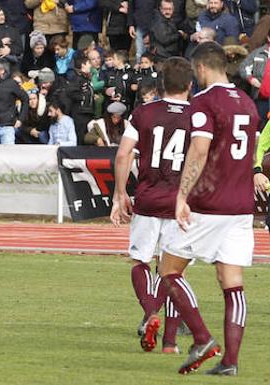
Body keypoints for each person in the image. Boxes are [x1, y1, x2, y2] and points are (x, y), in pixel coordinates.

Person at [151, 42, 259, 375]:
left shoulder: (203, 102)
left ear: (199, 69)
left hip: (210, 203)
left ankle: (201, 338)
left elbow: (199, 151)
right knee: (232, 282)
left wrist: (182, 196)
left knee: (168, 270)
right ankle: (230, 362)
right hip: (241, 206)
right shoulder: (248, 103)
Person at [111, 56, 193, 354]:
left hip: (147, 197)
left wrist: (121, 194)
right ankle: (170, 343)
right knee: (174, 273)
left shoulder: (143, 112)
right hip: (182, 201)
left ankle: (150, 313)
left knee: (141, 261)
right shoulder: (198, 114)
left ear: (160, 84)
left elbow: (123, 155)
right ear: (189, 84)